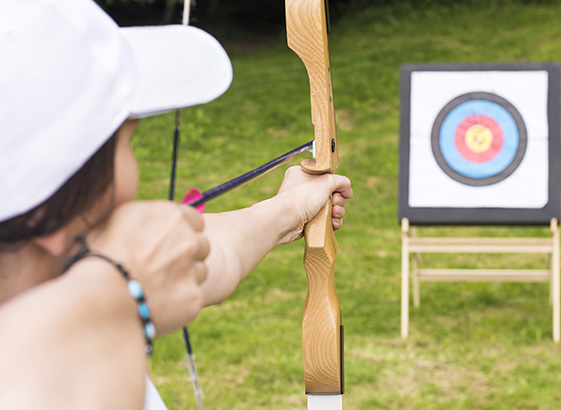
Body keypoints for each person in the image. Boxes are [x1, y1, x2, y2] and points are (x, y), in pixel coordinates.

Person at [0, 0, 353, 409]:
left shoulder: (75, 269)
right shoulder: (52, 362)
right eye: (127, 140)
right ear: (56, 207)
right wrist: (120, 295)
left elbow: (201, 256)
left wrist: (288, 209)